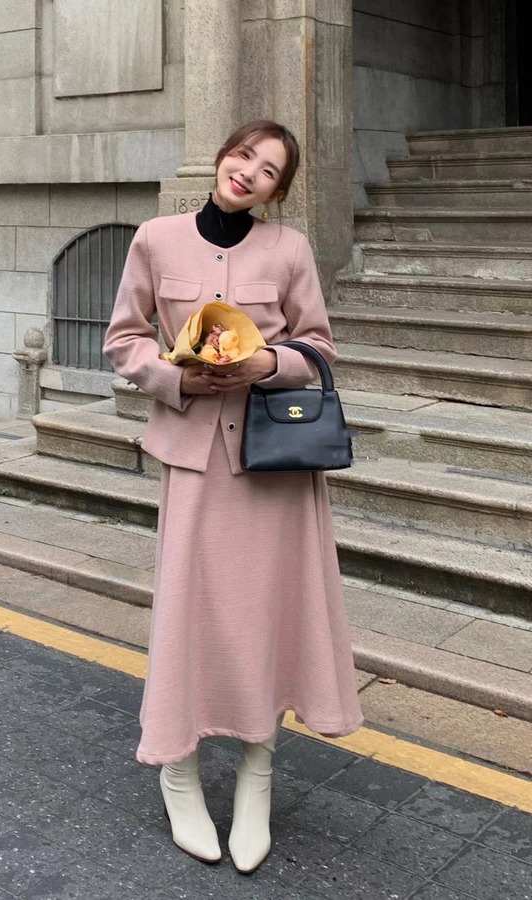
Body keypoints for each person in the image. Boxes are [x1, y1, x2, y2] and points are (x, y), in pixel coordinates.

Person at [103, 120, 363, 874]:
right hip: (193, 456)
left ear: (277, 191)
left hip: (273, 461)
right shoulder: (155, 239)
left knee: (266, 617)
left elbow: (319, 346)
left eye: (269, 169)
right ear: (223, 157)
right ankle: (178, 772)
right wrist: (177, 376)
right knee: (187, 616)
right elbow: (124, 340)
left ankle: (257, 773)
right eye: (245, 155)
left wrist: (265, 363)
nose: (249, 172)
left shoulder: (289, 250)